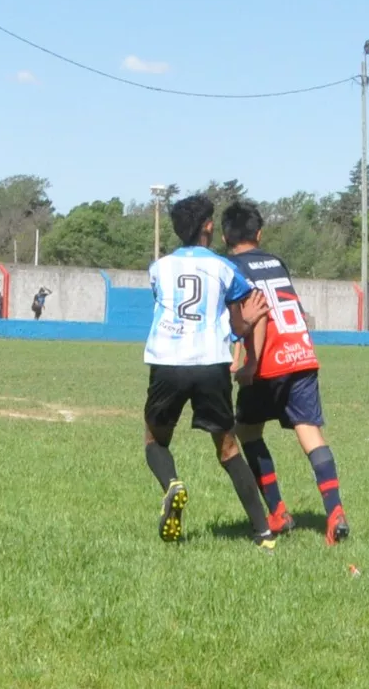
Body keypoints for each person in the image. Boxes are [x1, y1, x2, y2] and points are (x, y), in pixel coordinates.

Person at [141, 195, 275, 551]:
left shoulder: (158, 268)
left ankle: (172, 484)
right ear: (209, 226)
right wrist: (249, 321)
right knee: (228, 448)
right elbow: (238, 325)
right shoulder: (224, 268)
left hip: (168, 361)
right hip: (210, 362)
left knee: (155, 441)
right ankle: (263, 532)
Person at [223, 201, 349, 547]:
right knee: (310, 433)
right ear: (260, 234)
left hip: (269, 359)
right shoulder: (276, 262)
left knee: (247, 431)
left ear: (224, 236)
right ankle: (335, 511)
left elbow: (254, 314)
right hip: (302, 352)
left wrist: (249, 362)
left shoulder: (230, 267)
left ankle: (277, 511)